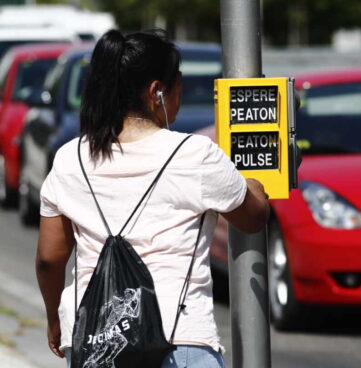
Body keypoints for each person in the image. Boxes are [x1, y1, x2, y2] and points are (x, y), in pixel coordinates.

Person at [34, 29, 270, 368]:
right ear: (156, 92)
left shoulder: (70, 158)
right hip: (181, 339)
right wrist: (256, 188)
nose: (181, 97)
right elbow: (253, 217)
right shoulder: (195, 154)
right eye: (179, 86)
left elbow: (48, 258)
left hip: (98, 342)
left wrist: (55, 317)